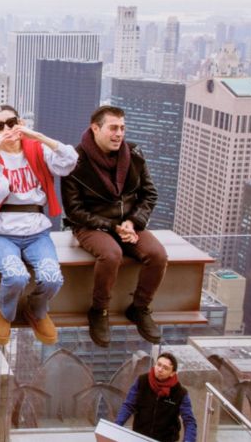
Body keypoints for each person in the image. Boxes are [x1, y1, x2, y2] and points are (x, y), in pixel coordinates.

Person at [62, 106, 167, 347]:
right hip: (90, 225)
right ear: (95, 128)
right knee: (111, 254)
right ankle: (99, 311)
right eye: (113, 128)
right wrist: (112, 226)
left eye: (122, 128)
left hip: (129, 223)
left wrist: (132, 222)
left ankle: (139, 308)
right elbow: (75, 211)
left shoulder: (134, 154)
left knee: (158, 254)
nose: (119, 134)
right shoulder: (75, 162)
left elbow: (149, 193)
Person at [0, 105, 77, 346]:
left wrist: (36, 136)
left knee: (52, 277)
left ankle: (37, 309)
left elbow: (69, 161)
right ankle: (5, 312)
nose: (7, 129)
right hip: (0, 233)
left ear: (20, 122)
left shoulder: (38, 150)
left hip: (37, 232)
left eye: (11, 123)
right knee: (15, 276)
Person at [115, 352, 198, 442]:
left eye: (165, 368)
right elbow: (128, 406)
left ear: (172, 373)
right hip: (139, 437)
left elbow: (189, 421)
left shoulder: (180, 393)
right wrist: (115, 428)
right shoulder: (142, 381)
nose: (160, 369)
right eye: (158, 365)